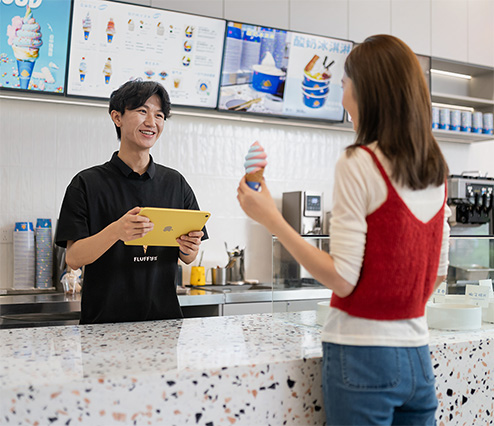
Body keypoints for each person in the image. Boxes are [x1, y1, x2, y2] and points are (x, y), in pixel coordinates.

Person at [237, 34, 450, 425]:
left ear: (369, 92)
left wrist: (271, 219)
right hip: (418, 358)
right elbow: (436, 274)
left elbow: (343, 279)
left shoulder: (359, 162)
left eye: (345, 84)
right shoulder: (435, 170)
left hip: (362, 355)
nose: (342, 95)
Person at [56, 80, 207, 325]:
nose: (152, 122)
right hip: (104, 327)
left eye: (159, 115)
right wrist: (116, 231)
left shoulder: (175, 183)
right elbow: (73, 258)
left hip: (164, 325)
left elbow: (188, 257)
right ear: (117, 117)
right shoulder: (86, 183)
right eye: (142, 111)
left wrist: (189, 247)